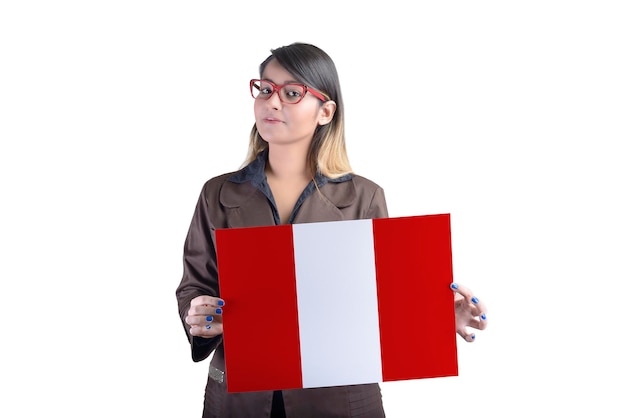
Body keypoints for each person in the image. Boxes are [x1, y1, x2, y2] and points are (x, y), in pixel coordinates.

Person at [175, 42, 488, 418]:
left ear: (325, 111)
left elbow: (384, 303)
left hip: (337, 401)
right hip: (239, 399)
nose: (272, 103)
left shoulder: (364, 196)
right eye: (265, 89)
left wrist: (435, 321)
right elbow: (195, 286)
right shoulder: (219, 193)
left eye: (292, 93)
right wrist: (199, 317)